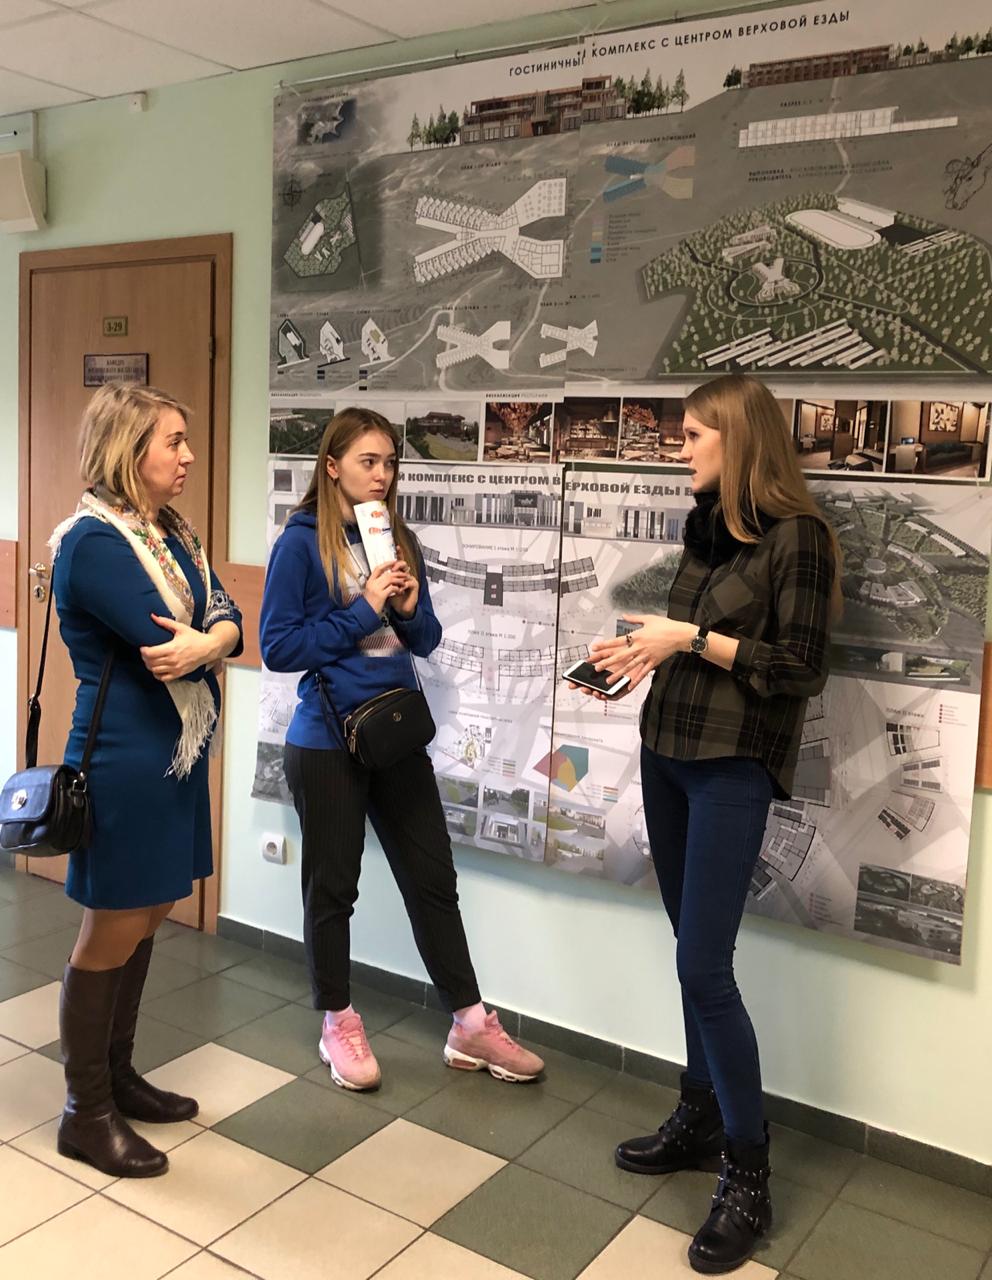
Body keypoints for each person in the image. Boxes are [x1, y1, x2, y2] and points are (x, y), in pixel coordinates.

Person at [580, 374, 838, 1275]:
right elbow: (689, 640)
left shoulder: (800, 538)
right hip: (668, 753)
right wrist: (636, 652)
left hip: (733, 768)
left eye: (694, 435)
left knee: (703, 964)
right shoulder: (707, 527)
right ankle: (698, 1115)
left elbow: (799, 667)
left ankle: (748, 1172)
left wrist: (685, 639)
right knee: (687, 944)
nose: (681, 449)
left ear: (738, 437)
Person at [259, 407, 544, 1091]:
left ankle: (470, 1024)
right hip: (327, 740)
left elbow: (426, 639)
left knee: (432, 879)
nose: (382, 475)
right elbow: (278, 646)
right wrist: (362, 609)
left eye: (389, 463)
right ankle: (337, 1021)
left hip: (394, 733)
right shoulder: (301, 544)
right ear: (332, 467)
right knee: (333, 888)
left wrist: (410, 610)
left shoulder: (395, 536)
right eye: (368, 462)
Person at [50, 383, 243, 1177]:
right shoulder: (95, 544)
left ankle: (118, 1075)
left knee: (152, 909)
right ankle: (85, 1111)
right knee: (113, 924)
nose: (188, 456)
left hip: (174, 751)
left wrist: (213, 641)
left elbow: (227, 619)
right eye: (173, 441)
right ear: (129, 452)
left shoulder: (172, 533)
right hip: (124, 757)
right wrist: (210, 640)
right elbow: (167, 640)